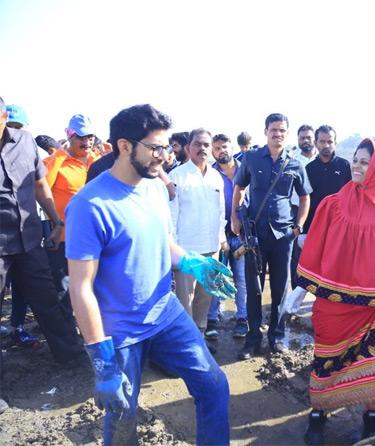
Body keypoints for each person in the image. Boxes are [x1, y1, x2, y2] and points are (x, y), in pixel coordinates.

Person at [66, 104, 234, 445]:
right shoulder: (89, 205)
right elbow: (81, 288)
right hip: (120, 332)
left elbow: (164, 242)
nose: (164, 156)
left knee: (215, 386)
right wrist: (101, 360)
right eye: (155, 148)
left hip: (165, 314)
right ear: (124, 146)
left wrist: (194, 263)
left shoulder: (156, 187)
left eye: (166, 146)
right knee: (123, 416)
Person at [295, 139, 375, 444]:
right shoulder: (331, 205)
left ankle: (371, 415)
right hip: (334, 304)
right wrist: (301, 292)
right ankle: (319, 411)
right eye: (355, 159)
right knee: (327, 358)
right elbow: (315, 250)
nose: (356, 165)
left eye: (365, 161)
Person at [0, 95, 85, 414]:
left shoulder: (24, 142)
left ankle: (71, 356)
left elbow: (40, 185)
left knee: (47, 297)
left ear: (5, 116)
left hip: (29, 236)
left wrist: (56, 220)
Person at [231, 113, 309, 359]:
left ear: (287, 133)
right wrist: (234, 217)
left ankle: (277, 336)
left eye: (282, 130)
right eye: (274, 130)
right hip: (255, 234)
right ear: (265, 131)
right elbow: (239, 187)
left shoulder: (295, 163)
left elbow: (305, 196)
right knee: (254, 288)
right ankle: (252, 339)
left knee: (279, 288)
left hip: (284, 235)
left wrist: (299, 226)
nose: (278, 134)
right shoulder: (252, 158)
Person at [169, 129, 227, 338]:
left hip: (211, 247)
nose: (202, 149)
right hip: (186, 249)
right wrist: (173, 248)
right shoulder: (177, 175)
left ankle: (200, 334)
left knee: (205, 297)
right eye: (197, 144)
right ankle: (185, 340)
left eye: (205, 145)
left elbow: (221, 212)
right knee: (186, 299)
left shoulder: (216, 177)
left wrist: (221, 239)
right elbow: (171, 215)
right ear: (188, 148)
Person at [43, 114, 100, 301]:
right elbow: (41, 187)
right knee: (64, 289)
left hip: (94, 237)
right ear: (70, 137)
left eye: (90, 137)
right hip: (64, 237)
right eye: (81, 137)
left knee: (92, 286)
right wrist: (60, 154)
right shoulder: (57, 161)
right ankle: (65, 328)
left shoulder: (98, 161)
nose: (86, 142)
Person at [211, 133, 248, 339]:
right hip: (219, 233)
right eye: (216, 148)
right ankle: (212, 318)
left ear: (232, 146)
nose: (221, 151)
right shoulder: (210, 173)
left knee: (241, 278)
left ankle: (242, 317)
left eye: (224, 146)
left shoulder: (246, 169)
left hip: (243, 234)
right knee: (217, 276)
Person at [303, 125, 351, 233]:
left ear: (335, 143)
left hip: (339, 226)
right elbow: (305, 200)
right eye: (322, 141)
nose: (326, 145)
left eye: (330, 141)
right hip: (314, 225)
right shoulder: (309, 169)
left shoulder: (344, 166)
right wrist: (304, 231)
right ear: (315, 143)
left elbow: (350, 196)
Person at [289, 125, 315, 288]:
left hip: (317, 213)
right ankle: (293, 297)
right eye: (302, 138)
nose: (305, 141)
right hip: (295, 213)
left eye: (309, 138)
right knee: (295, 257)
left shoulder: (321, 159)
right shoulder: (291, 160)